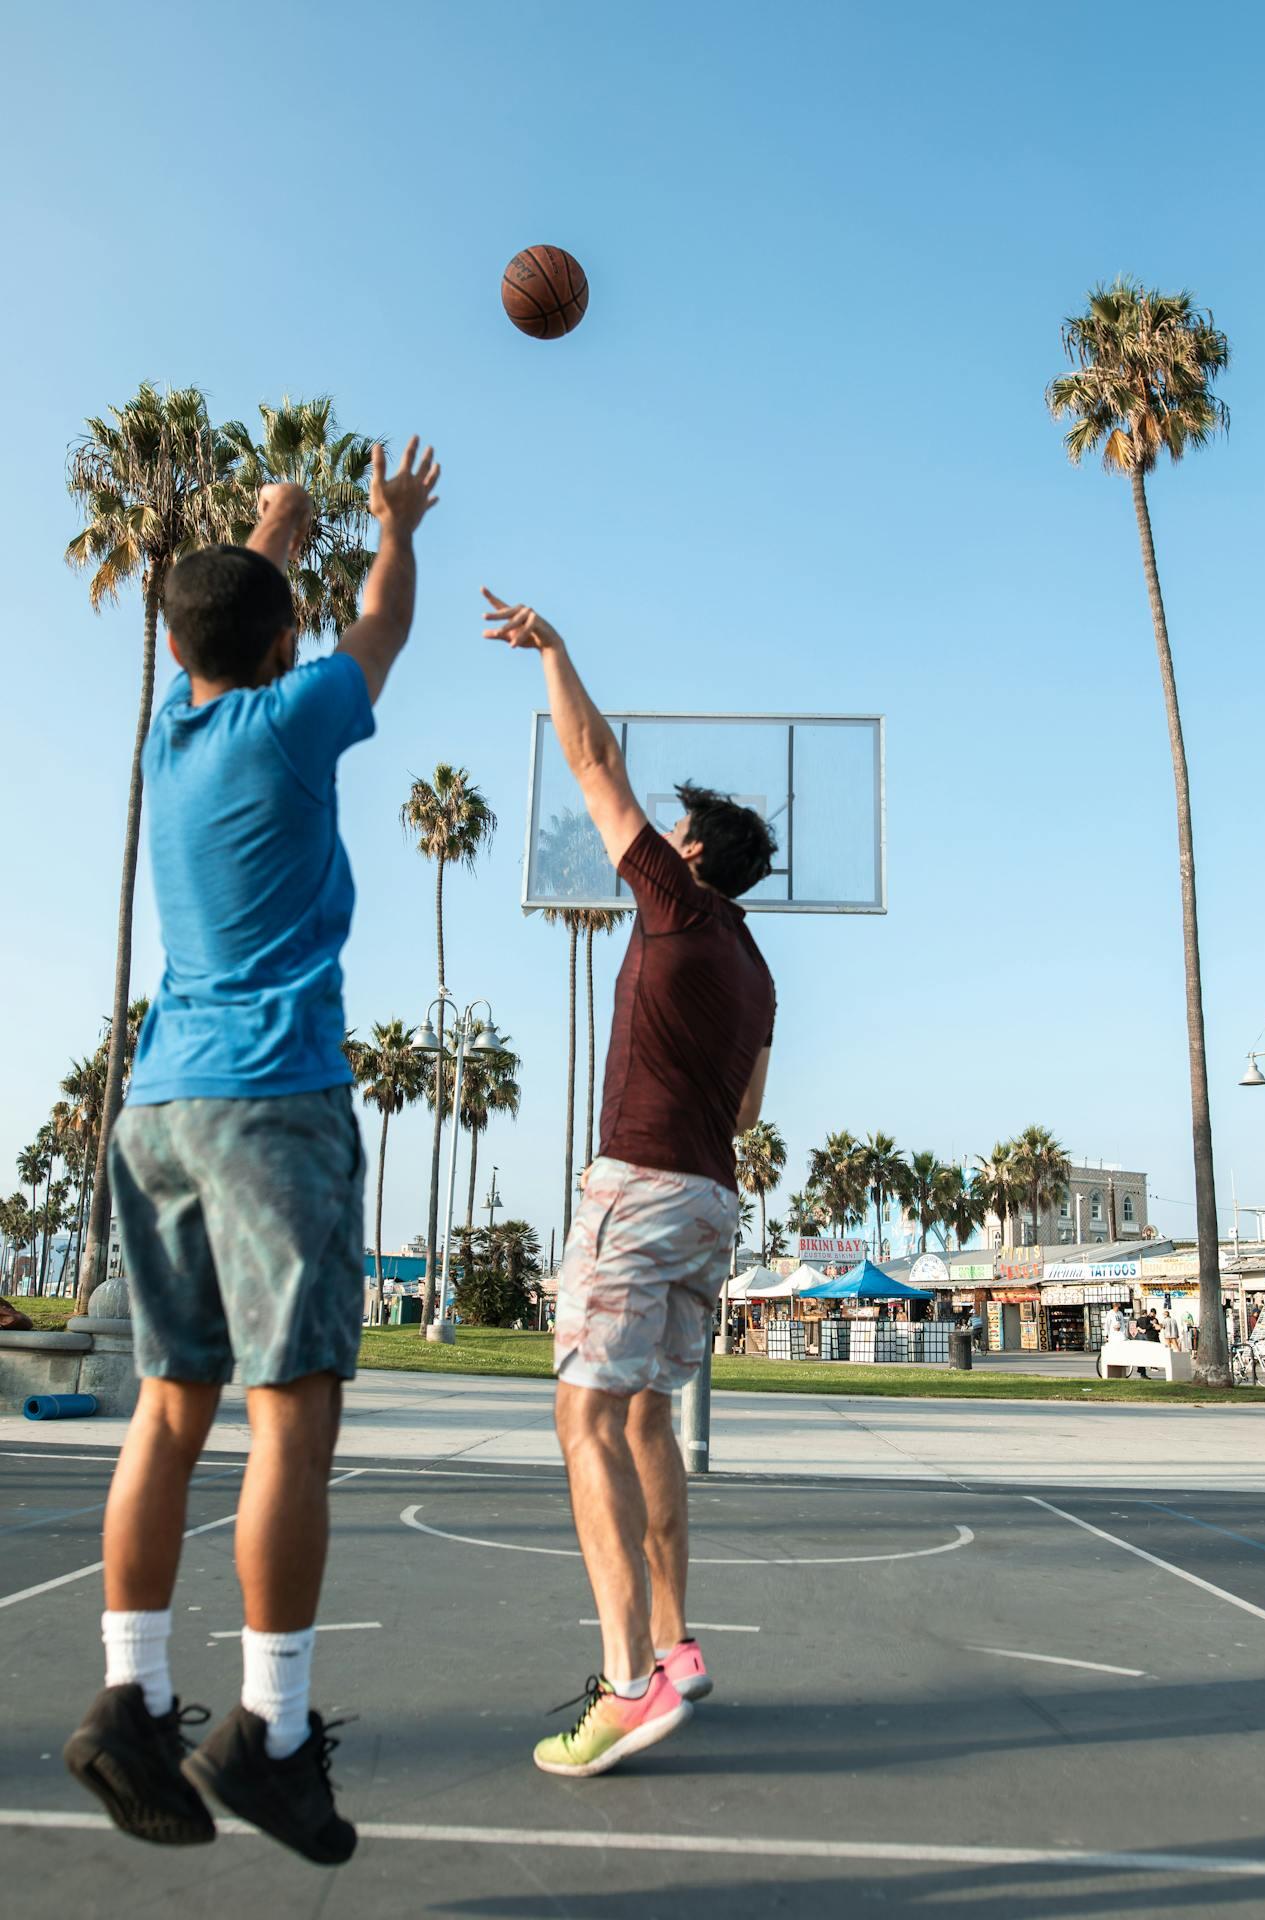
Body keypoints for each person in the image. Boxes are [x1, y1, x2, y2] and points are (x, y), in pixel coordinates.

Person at [62, 439, 441, 1862]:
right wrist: (392, 527)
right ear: (281, 640)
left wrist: (277, 524)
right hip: (271, 1103)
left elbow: (233, 607)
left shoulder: (171, 729)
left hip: (154, 1103)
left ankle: (132, 1700)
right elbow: (386, 623)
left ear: (176, 644)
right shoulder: (293, 720)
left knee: (171, 1409)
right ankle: (270, 1732)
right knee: (293, 1420)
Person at [484, 587, 776, 1778]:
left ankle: (625, 1684)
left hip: (643, 1188)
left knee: (582, 1419)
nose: (658, 834)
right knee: (649, 1414)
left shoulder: (676, 902)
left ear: (693, 855)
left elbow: (592, 756)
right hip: (710, 1201)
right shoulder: (756, 970)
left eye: (675, 829)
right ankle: (677, 1642)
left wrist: (552, 650)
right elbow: (750, 1111)